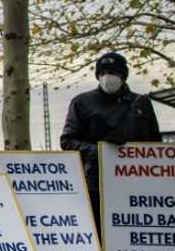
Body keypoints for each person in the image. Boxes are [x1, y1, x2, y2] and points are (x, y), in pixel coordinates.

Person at [60, 51, 161, 235]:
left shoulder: (141, 103)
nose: (108, 77)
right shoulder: (82, 102)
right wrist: (99, 150)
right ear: (98, 76)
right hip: (97, 183)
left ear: (123, 76)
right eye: (103, 73)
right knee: (101, 235)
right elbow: (67, 141)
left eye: (114, 73)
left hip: (137, 182)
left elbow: (155, 142)